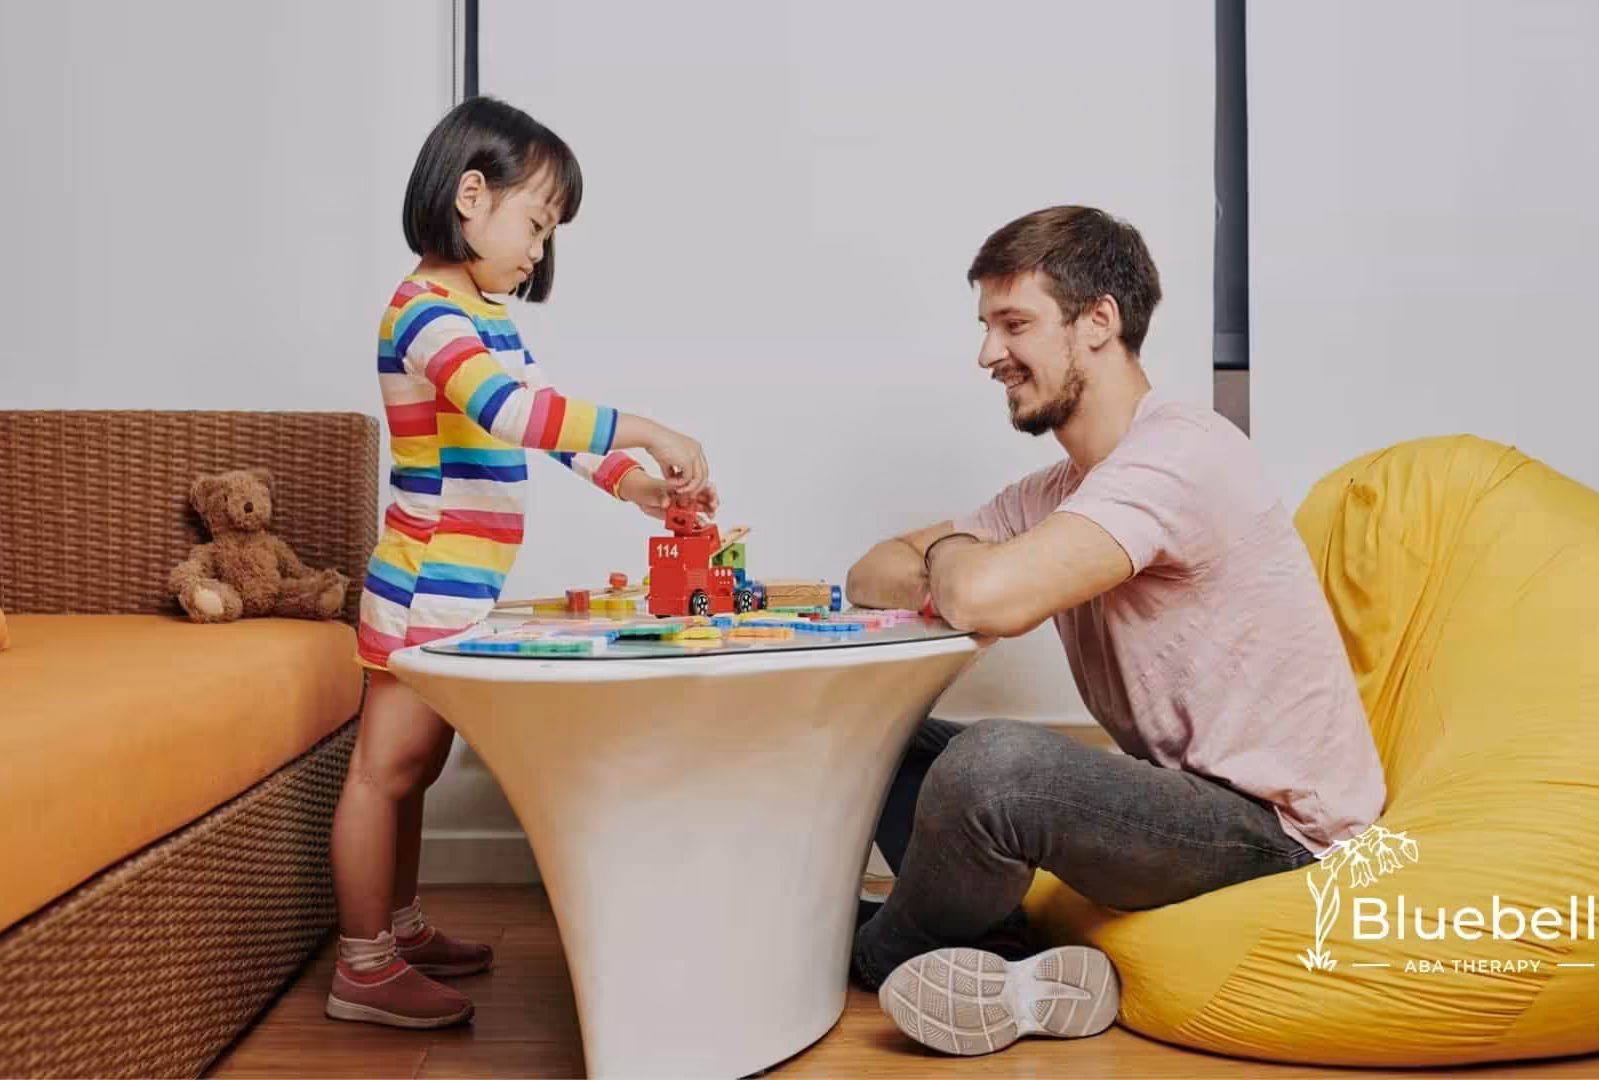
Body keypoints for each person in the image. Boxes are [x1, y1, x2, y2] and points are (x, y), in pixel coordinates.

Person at [845, 206, 1385, 1056]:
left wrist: (956, 555)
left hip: (1281, 834)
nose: (988, 355)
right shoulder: (1056, 490)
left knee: (996, 767)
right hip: (1180, 800)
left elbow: (986, 600)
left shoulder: (1182, 454)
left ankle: (876, 951)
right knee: (870, 728)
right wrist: (967, 561)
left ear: (1099, 321)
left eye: (1013, 324)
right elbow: (870, 572)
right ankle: (994, 955)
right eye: (986, 326)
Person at [327, 96, 719, 1030]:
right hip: (421, 584)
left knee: (419, 767)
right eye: (536, 224)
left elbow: (552, 425)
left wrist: (636, 485)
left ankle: (402, 925)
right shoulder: (423, 313)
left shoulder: (486, 314)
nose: (540, 250)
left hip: (462, 590)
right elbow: (510, 412)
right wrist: (651, 427)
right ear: (472, 195)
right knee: (385, 770)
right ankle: (362, 966)